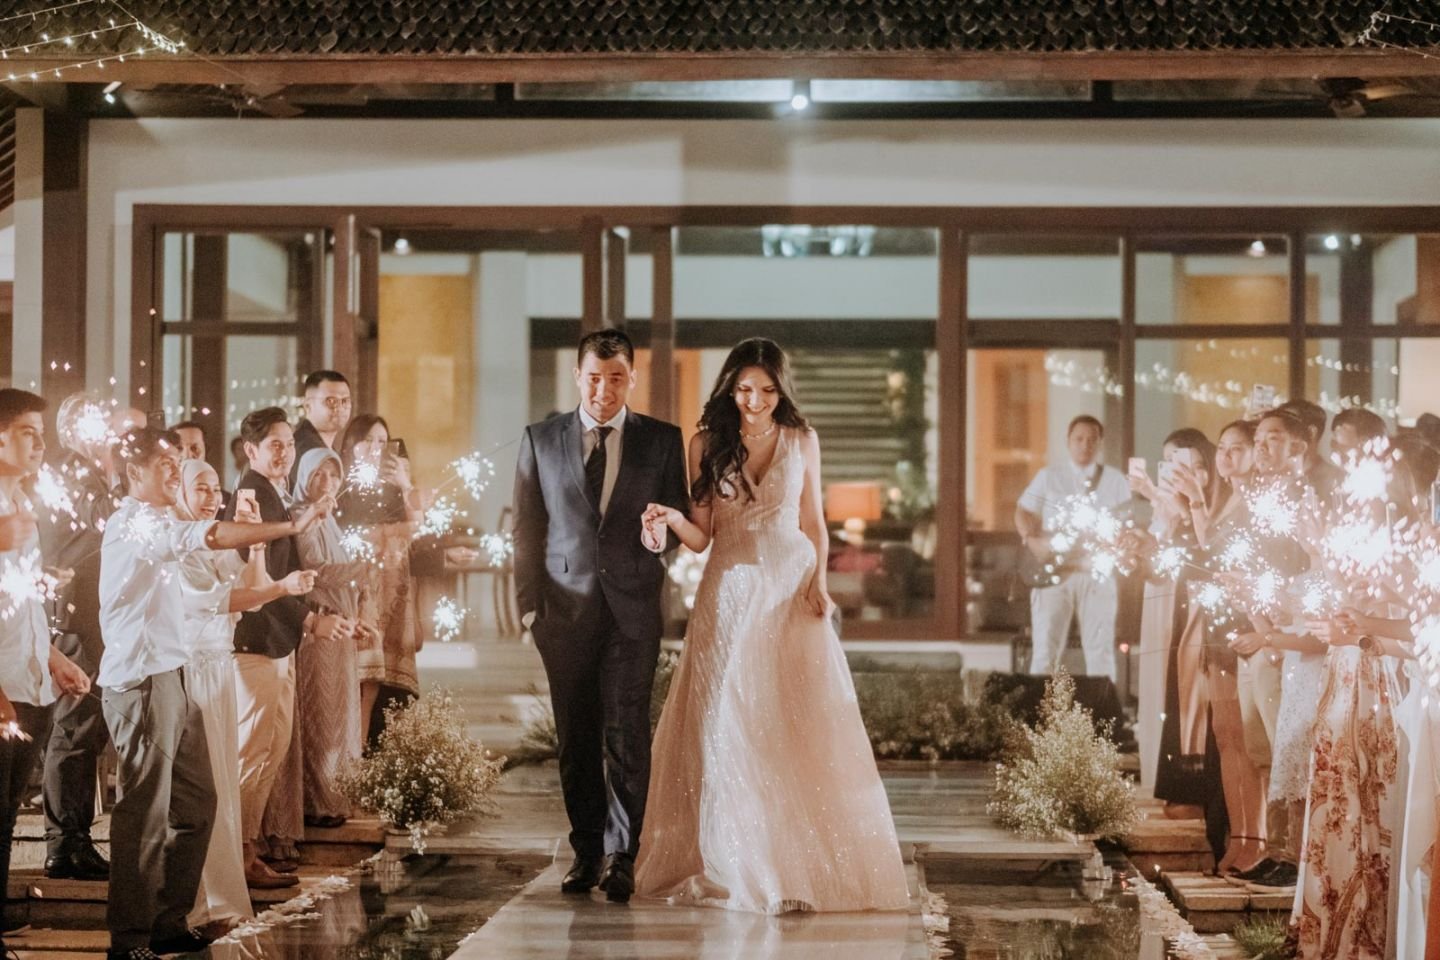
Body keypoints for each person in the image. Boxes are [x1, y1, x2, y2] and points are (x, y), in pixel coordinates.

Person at [633, 338, 908, 914]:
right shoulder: (706, 442)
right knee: (725, 720)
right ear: (729, 389)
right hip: (728, 589)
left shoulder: (802, 440)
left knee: (784, 720)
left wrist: (820, 582)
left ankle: (788, 864)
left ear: (781, 391)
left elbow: (814, 522)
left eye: (765, 390)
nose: (754, 400)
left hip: (788, 585)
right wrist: (673, 517)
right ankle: (743, 862)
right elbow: (702, 536)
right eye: (743, 389)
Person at [98, 425, 330, 960]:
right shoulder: (133, 524)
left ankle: (168, 921)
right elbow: (209, 537)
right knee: (144, 812)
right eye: (164, 464)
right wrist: (290, 525)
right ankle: (128, 939)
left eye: (176, 463)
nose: (174, 472)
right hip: (140, 679)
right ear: (134, 472)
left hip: (175, 673)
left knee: (198, 801)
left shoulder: (163, 520)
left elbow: (217, 552)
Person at [512, 328, 689, 904]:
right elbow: (527, 529)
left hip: (632, 609)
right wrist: (528, 608)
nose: (604, 390)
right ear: (577, 376)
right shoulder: (540, 439)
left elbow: (679, 520)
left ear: (632, 377)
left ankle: (621, 856)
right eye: (593, 378)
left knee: (627, 731)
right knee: (576, 736)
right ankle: (587, 850)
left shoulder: (662, 440)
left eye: (616, 378)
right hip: (562, 613)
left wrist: (662, 537)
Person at [223, 407, 352, 888]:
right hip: (257, 641)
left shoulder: (271, 493)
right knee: (252, 753)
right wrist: (311, 619)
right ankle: (237, 857)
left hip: (278, 641)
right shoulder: (251, 496)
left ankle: (247, 850)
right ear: (250, 450)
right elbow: (261, 580)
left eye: (289, 444)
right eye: (274, 445)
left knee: (270, 751)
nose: (285, 453)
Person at [0, 389, 91, 959]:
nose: (40, 444)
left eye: (41, 433)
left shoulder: (20, 502)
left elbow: (20, 601)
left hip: (26, 674)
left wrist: (54, 658)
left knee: (7, 811)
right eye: (27, 433)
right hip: (2, 684)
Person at [36, 396, 143, 881]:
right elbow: (103, 519)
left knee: (87, 728)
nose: (111, 435)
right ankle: (65, 843)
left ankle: (74, 836)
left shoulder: (90, 470)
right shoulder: (70, 470)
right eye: (99, 425)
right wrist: (115, 469)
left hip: (95, 614)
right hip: (76, 616)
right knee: (74, 729)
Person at [1014, 414, 1132, 681]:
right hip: (1054, 573)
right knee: (1045, 651)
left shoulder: (1115, 480)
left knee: (1101, 652)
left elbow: (1127, 522)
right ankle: (1041, 707)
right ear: (1068, 441)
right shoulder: (1049, 476)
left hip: (1097, 573)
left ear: (1100, 443)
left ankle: (1101, 707)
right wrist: (1032, 541)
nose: (1085, 445)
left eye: (1091, 440)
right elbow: (1022, 510)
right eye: (1079, 439)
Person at [291, 447, 371, 829]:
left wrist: (356, 618)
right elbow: (315, 569)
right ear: (304, 478)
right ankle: (318, 802)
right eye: (318, 475)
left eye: (333, 475)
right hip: (319, 630)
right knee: (322, 717)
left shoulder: (330, 520)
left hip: (339, 627)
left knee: (340, 717)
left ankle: (338, 797)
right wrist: (364, 568)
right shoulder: (302, 516)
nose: (327, 483)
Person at [337, 413, 419, 744]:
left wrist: (405, 484)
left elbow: (417, 529)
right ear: (351, 444)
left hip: (390, 593)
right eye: (368, 440)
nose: (375, 448)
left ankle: (367, 753)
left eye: (382, 442)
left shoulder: (393, 488)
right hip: (354, 590)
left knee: (377, 684)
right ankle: (351, 754)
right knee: (358, 678)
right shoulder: (340, 484)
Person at [290, 370, 352, 490]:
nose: (339, 408)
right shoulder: (306, 449)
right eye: (331, 401)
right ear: (308, 406)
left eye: (345, 401)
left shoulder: (325, 447)